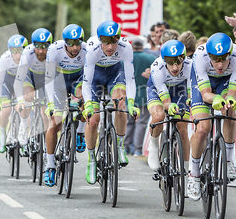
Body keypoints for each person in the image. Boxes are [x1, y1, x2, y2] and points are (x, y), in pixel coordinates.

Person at [188, 33, 236, 201]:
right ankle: (194, 174)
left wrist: (229, 99)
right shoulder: (200, 56)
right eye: (215, 59)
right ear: (209, 55)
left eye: (223, 59)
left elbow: (233, 93)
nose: (219, 64)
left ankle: (228, 162)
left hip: (225, 82)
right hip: (204, 84)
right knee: (202, 129)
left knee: (229, 110)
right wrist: (215, 98)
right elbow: (206, 94)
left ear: (230, 54)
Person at [81, 20, 140, 184]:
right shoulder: (92, 49)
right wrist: (87, 105)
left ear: (119, 39)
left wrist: (131, 102)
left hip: (115, 74)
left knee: (120, 105)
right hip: (95, 79)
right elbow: (86, 83)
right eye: (106, 41)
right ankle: (91, 160)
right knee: (93, 120)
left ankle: (120, 146)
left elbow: (130, 78)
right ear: (100, 40)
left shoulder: (125, 47)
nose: (110, 46)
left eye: (114, 40)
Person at [43, 24, 87, 187]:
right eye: (70, 43)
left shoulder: (87, 50)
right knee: (55, 122)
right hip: (58, 82)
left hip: (78, 82)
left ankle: (80, 132)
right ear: (64, 42)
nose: (75, 47)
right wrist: (50, 104)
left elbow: (90, 78)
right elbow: (48, 79)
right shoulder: (55, 50)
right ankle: (50, 165)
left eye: (78, 43)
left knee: (84, 99)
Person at [146, 40, 191, 174]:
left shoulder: (190, 65)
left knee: (182, 128)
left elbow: (190, 92)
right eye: (171, 62)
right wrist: (169, 104)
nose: (175, 67)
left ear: (184, 57)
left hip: (180, 90)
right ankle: (154, 146)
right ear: (164, 60)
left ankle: (185, 170)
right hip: (157, 90)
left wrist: (190, 101)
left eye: (179, 61)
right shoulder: (156, 67)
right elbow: (166, 102)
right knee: (159, 116)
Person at [14, 28, 53, 148]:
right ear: (33, 44)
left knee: (45, 112)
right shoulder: (27, 52)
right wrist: (20, 101)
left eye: (44, 46)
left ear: (49, 45)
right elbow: (18, 80)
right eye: (37, 46)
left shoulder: (53, 53)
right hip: (29, 78)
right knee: (29, 97)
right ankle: (24, 126)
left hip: (45, 80)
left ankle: (47, 146)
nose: (41, 50)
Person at [0, 34, 28, 153]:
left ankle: (25, 135)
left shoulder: (30, 58)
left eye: (20, 51)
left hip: (22, 82)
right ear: (10, 51)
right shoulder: (4, 58)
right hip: (6, 83)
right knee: (6, 110)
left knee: (27, 107)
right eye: (14, 51)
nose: (18, 55)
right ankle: (2, 133)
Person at [124, 38, 156, 156]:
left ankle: (126, 148)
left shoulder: (126, 60)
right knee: (141, 123)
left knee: (129, 122)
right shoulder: (150, 58)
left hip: (129, 95)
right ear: (142, 46)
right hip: (144, 94)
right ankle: (137, 150)